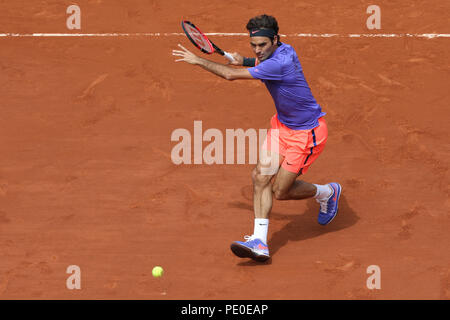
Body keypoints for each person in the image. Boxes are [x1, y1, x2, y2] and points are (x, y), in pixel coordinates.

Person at [172, 14, 341, 262]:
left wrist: (198, 60)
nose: (257, 49)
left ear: (275, 39)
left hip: (307, 134)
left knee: (281, 192)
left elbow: (230, 76)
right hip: (282, 127)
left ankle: (326, 193)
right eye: (254, 45)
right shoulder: (285, 49)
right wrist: (247, 60)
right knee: (260, 176)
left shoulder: (279, 65)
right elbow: (259, 63)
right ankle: (259, 242)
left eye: (262, 45)